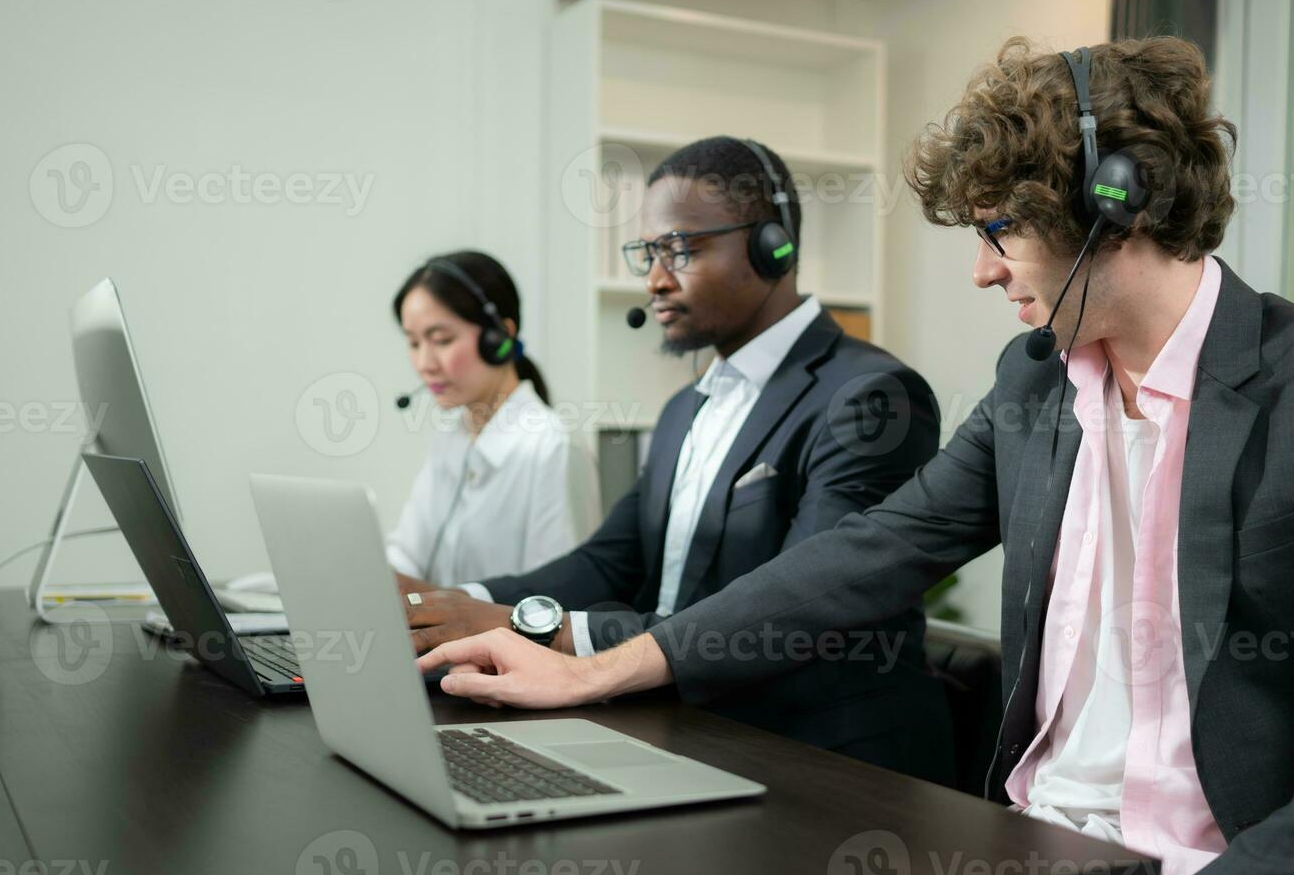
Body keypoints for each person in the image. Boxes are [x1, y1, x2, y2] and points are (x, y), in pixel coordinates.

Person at [414, 39, 1294, 875]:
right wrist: (602, 667)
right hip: (1036, 866)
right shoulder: (1034, 384)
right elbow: (868, 550)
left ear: (1116, 204)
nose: (982, 270)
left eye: (997, 231)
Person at [401, 137, 956, 785]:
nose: (655, 278)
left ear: (771, 246)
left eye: (681, 250)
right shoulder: (682, 411)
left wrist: (541, 630)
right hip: (684, 725)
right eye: (648, 253)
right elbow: (611, 559)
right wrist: (457, 604)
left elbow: (801, 617)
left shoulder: (869, 397)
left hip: (822, 764)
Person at [388, 251, 599, 587]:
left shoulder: (551, 447)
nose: (424, 363)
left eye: (441, 340)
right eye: (413, 342)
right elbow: (407, 556)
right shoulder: (451, 436)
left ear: (498, 338)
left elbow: (557, 598)